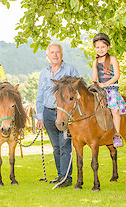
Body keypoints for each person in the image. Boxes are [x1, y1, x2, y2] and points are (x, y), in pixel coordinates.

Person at [36, 42, 79, 187]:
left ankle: (67, 178)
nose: (55, 55)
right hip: (48, 114)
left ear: (62, 54)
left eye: (57, 52)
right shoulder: (44, 73)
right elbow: (40, 96)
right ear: (47, 56)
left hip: (64, 114)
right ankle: (61, 175)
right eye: (52, 53)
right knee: (56, 146)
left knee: (65, 145)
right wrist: (40, 117)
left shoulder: (70, 70)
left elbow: (78, 93)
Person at [92, 33, 126, 148]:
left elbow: (116, 76)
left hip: (111, 88)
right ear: (95, 48)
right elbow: (94, 78)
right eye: (97, 47)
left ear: (108, 47)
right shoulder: (95, 62)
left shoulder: (112, 59)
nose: (100, 49)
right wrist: (94, 85)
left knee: (114, 110)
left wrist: (106, 84)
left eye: (103, 47)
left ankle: (117, 135)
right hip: (100, 88)